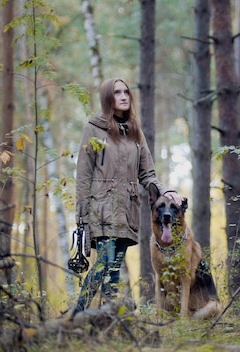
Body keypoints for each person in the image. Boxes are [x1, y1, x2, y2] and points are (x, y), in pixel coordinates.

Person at [73, 77, 182, 314]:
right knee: (104, 263)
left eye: (126, 92)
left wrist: (166, 191)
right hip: (101, 208)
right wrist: (81, 217)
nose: (123, 96)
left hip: (127, 210)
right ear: (107, 98)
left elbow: (148, 174)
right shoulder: (93, 128)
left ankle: (107, 319)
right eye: (117, 92)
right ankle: (76, 315)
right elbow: (83, 175)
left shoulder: (136, 133)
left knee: (114, 267)